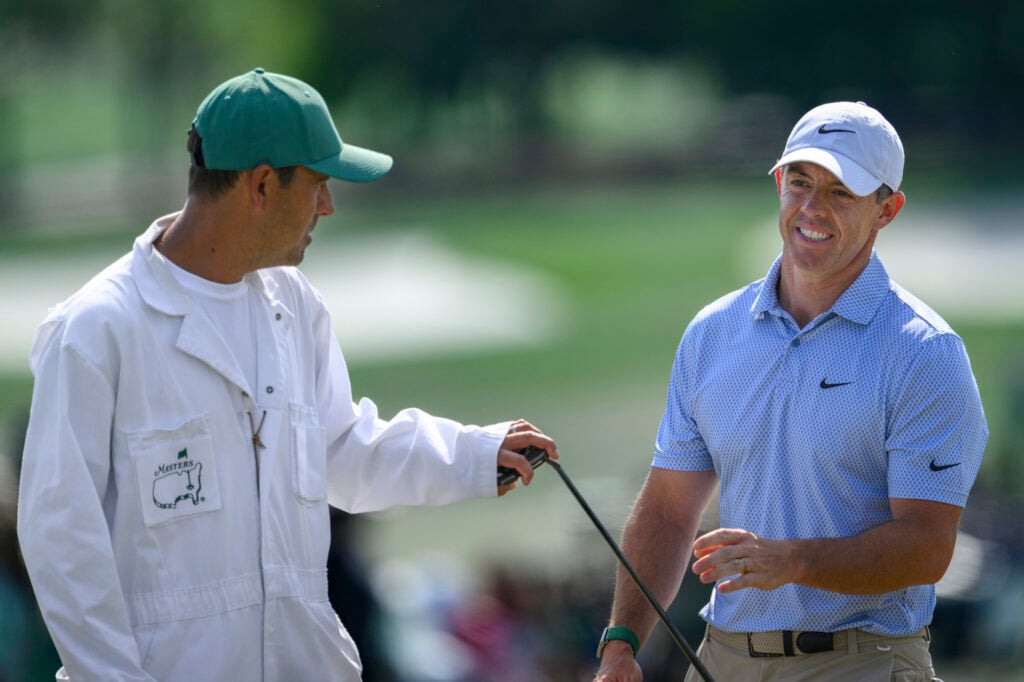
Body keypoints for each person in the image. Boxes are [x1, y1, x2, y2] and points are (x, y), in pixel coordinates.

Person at [16, 67, 558, 682]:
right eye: (319, 184)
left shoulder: (293, 305)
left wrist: (473, 453)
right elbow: (63, 543)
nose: (327, 206)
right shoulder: (95, 330)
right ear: (263, 184)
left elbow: (340, 452)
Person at [594, 101, 987, 682]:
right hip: (722, 656)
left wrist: (794, 560)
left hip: (862, 660)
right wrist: (622, 642)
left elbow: (927, 547)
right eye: (800, 183)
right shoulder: (713, 333)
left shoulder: (923, 352)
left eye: (841, 192)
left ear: (888, 209)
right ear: (778, 183)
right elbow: (669, 511)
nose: (811, 209)